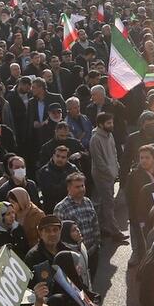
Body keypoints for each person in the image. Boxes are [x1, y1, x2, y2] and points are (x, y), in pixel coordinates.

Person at [54, 173, 101, 272]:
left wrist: (97, 243)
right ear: (69, 188)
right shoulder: (61, 208)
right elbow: (59, 236)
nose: (81, 189)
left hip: (92, 252)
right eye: (77, 187)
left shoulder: (88, 202)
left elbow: (95, 224)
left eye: (82, 186)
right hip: (75, 257)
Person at [89, 111, 124, 240]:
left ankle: (102, 228)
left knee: (105, 203)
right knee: (108, 203)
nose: (111, 125)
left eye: (112, 122)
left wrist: (116, 167)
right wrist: (110, 173)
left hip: (111, 174)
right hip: (102, 176)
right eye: (108, 123)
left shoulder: (110, 135)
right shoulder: (95, 139)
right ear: (100, 124)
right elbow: (99, 162)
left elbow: (114, 152)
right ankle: (115, 232)